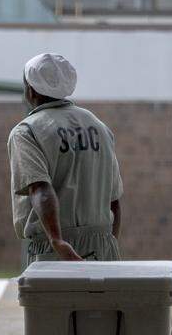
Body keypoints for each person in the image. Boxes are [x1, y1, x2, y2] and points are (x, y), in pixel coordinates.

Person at [8, 53, 123, 266]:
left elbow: (40, 190)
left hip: (55, 249)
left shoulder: (27, 131)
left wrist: (56, 240)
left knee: (58, 300)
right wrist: (109, 242)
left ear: (30, 89)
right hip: (105, 245)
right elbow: (114, 201)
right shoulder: (99, 127)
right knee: (103, 300)